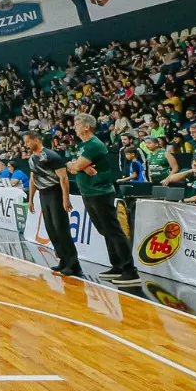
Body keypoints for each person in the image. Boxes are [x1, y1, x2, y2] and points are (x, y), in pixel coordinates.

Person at [64, 112, 139, 285]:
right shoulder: (83, 146)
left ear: (86, 127)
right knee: (104, 230)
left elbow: (75, 166)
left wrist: (77, 166)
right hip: (89, 192)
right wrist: (78, 166)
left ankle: (130, 270)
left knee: (113, 230)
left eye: (76, 124)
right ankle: (117, 266)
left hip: (100, 192)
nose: (74, 128)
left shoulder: (93, 145)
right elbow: (70, 165)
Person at [24, 132, 79, 277]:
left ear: (36, 140)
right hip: (43, 194)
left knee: (61, 228)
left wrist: (65, 198)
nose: (26, 145)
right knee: (51, 229)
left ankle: (74, 264)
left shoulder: (51, 155)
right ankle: (63, 260)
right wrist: (31, 199)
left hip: (55, 193)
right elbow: (32, 179)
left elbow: (64, 178)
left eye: (28, 141)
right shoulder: (31, 159)